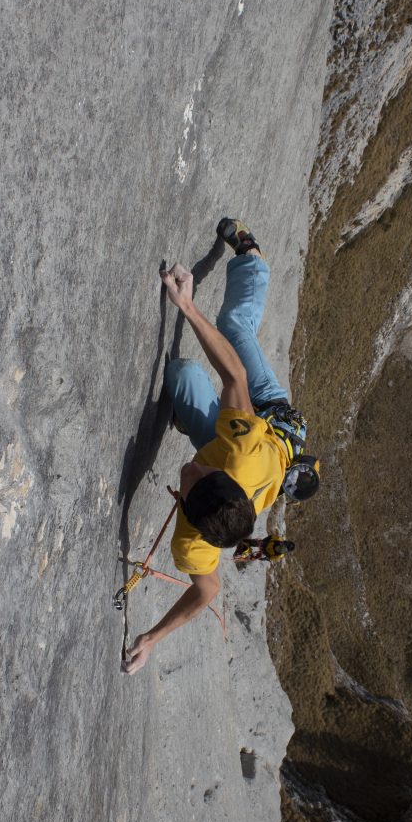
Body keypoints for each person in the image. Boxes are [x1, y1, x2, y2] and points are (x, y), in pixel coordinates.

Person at [121, 218, 319, 675]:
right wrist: (186, 306)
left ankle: (201, 423)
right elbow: (236, 376)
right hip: (271, 419)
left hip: (241, 456)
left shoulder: (191, 544)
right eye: (199, 473)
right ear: (223, 475)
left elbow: (207, 591)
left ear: (193, 521)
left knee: (183, 378)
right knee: (233, 325)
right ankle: (253, 261)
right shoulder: (240, 453)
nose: (187, 471)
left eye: (189, 483)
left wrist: (152, 638)